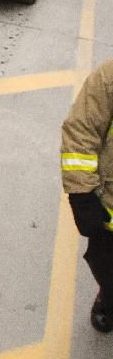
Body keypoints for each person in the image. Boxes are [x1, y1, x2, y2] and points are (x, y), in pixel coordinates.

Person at [62, 59, 113, 332]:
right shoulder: (109, 77)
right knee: (106, 267)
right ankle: (108, 297)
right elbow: (81, 131)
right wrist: (81, 193)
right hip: (109, 213)